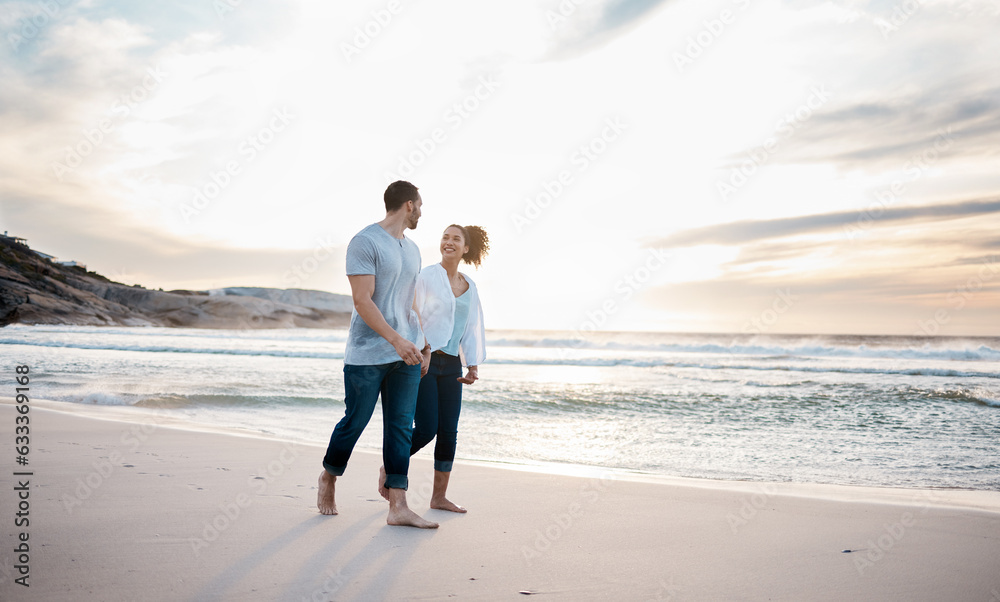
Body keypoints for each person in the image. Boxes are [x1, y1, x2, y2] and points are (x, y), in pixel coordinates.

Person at [317, 181, 438, 529]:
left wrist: (422, 341)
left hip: (407, 353)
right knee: (355, 421)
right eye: (421, 205)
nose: (422, 212)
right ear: (410, 206)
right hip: (366, 353)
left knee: (401, 427)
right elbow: (362, 300)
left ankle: (398, 505)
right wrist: (396, 340)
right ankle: (329, 476)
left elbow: (410, 300)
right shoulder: (365, 242)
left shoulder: (412, 249)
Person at [409, 224, 489, 513]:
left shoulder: (470, 286)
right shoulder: (428, 276)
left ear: (466, 248)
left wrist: (473, 365)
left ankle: (438, 497)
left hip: (453, 362)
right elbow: (414, 313)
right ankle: (391, 466)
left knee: (449, 432)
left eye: (456, 239)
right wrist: (425, 348)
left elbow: (471, 326)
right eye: (445, 237)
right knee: (427, 428)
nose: (449, 242)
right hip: (426, 361)